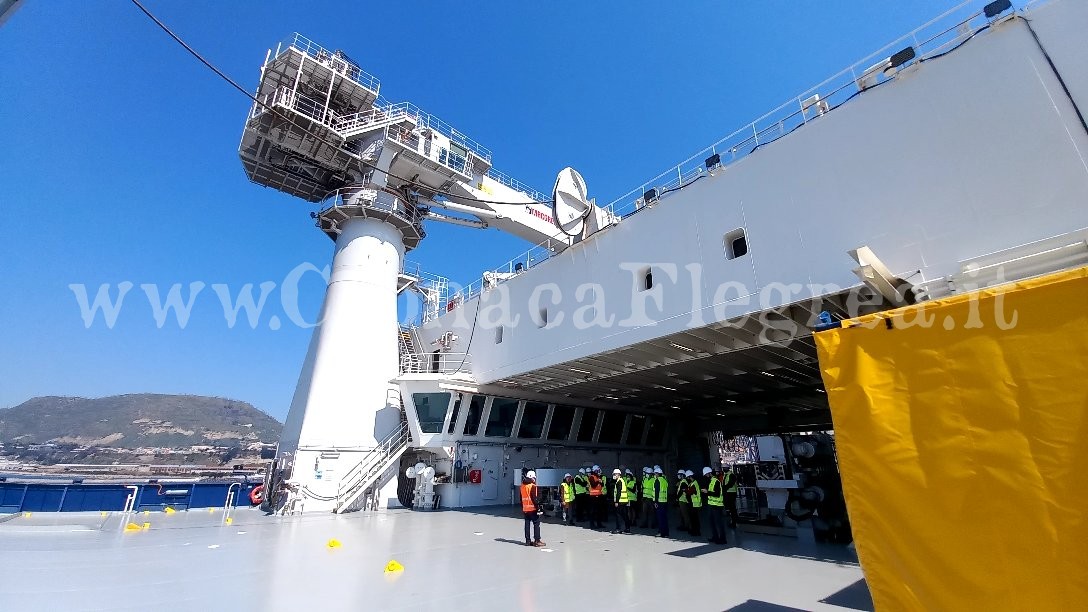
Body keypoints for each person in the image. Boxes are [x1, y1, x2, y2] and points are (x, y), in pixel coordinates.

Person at [520, 470, 546, 547]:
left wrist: (523, 508)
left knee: (527, 524)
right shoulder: (532, 486)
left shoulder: (522, 486)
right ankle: (537, 540)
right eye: (534, 478)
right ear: (532, 478)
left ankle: (528, 541)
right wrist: (538, 508)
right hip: (532, 508)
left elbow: (521, 499)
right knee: (536, 523)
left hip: (525, 509)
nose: (535, 479)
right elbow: (535, 499)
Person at [704, 466, 727, 545]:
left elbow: (716, 494)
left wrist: (707, 492)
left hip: (717, 506)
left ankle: (722, 539)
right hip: (711, 505)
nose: (706, 476)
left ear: (709, 473)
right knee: (712, 522)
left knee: (719, 523)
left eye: (706, 474)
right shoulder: (711, 481)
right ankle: (715, 537)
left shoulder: (716, 481)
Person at [610, 468, 632, 534]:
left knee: (618, 515)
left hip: (620, 501)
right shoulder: (621, 480)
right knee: (625, 515)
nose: (614, 475)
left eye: (614, 474)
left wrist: (616, 501)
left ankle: (618, 529)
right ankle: (627, 528)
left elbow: (618, 492)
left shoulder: (619, 481)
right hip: (624, 501)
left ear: (618, 474)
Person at [653, 465, 670, 538]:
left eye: (655, 473)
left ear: (657, 473)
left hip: (659, 501)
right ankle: (666, 533)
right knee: (664, 518)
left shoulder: (657, 480)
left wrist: (655, 502)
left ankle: (661, 532)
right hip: (664, 501)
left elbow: (657, 491)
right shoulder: (664, 480)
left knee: (660, 518)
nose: (654, 475)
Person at [685, 470, 702, 537]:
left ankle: (696, 531)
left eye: (687, 477)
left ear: (689, 477)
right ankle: (694, 530)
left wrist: (685, 490)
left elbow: (690, 492)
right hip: (693, 503)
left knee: (695, 519)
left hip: (695, 504)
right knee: (693, 518)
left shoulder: (694, 484)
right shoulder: (692, 483)